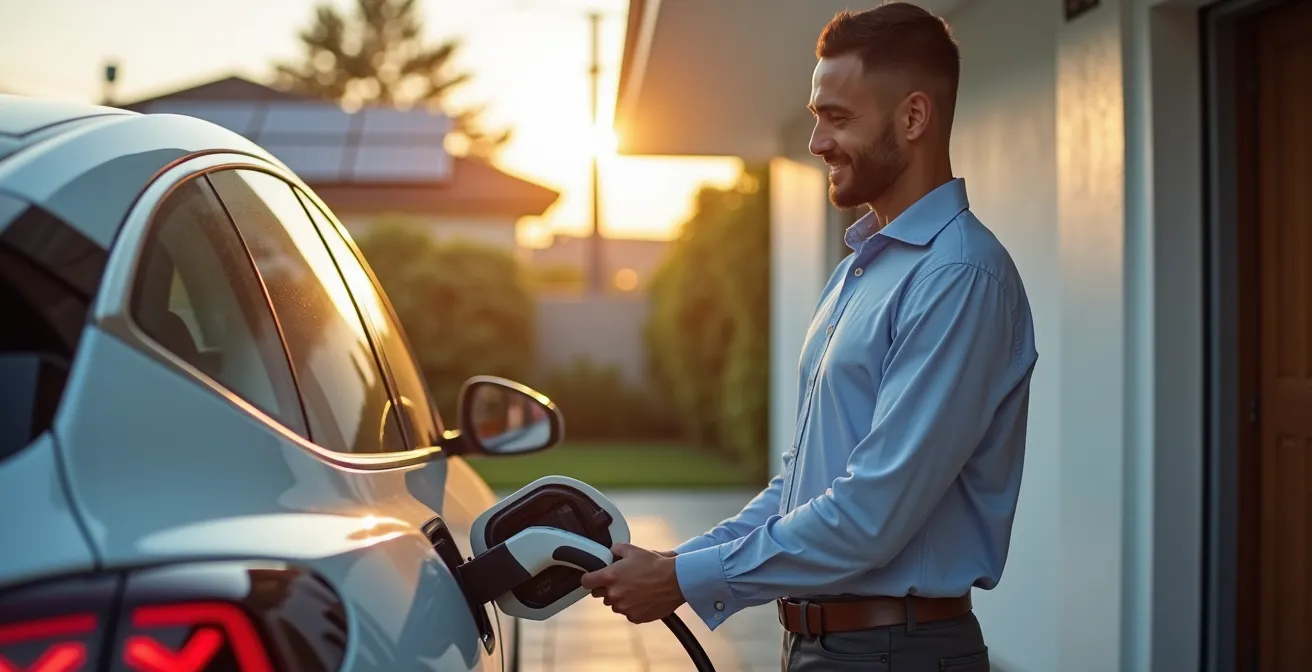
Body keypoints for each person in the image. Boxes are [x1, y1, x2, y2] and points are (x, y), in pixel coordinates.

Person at [580, 3, 1038, 670]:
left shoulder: (959, 278)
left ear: (913, 118)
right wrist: (678, 561)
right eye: (817, 115)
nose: (816, 141)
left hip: (894, 653)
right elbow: (803, 484)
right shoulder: (861, 269)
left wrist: (684, 581)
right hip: (825, 645)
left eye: (838, 117)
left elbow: (869, 514)